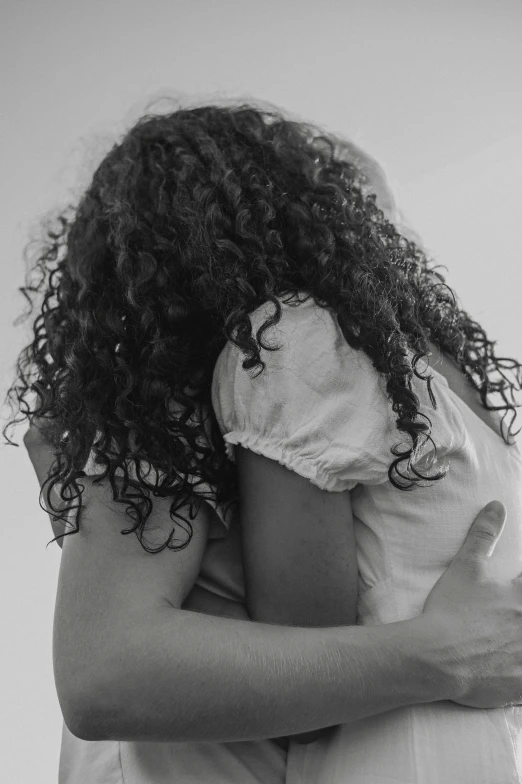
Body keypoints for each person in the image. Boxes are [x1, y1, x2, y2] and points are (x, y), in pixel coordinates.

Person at [7, 98, 522, 784]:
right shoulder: (193, 394)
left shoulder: (273, 388)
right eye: (351, 204)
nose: (393, 240)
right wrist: (440, 653)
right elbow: (108, 672)